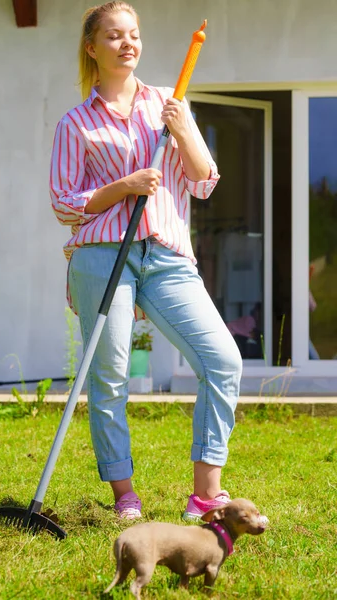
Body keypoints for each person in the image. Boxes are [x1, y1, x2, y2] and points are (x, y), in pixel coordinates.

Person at [50, 1, 242, 521]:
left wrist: (182, 128)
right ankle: (124, 495)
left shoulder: (168, 101)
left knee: (222, 360)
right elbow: (66, 203)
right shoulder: (75, 123)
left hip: (167, 253)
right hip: (101, 256)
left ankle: (205, 495)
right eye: (114, 36)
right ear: (92, 47)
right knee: (111, 377)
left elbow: (204, 180)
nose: (127, 43)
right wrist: (124, 186)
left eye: (133, 34)